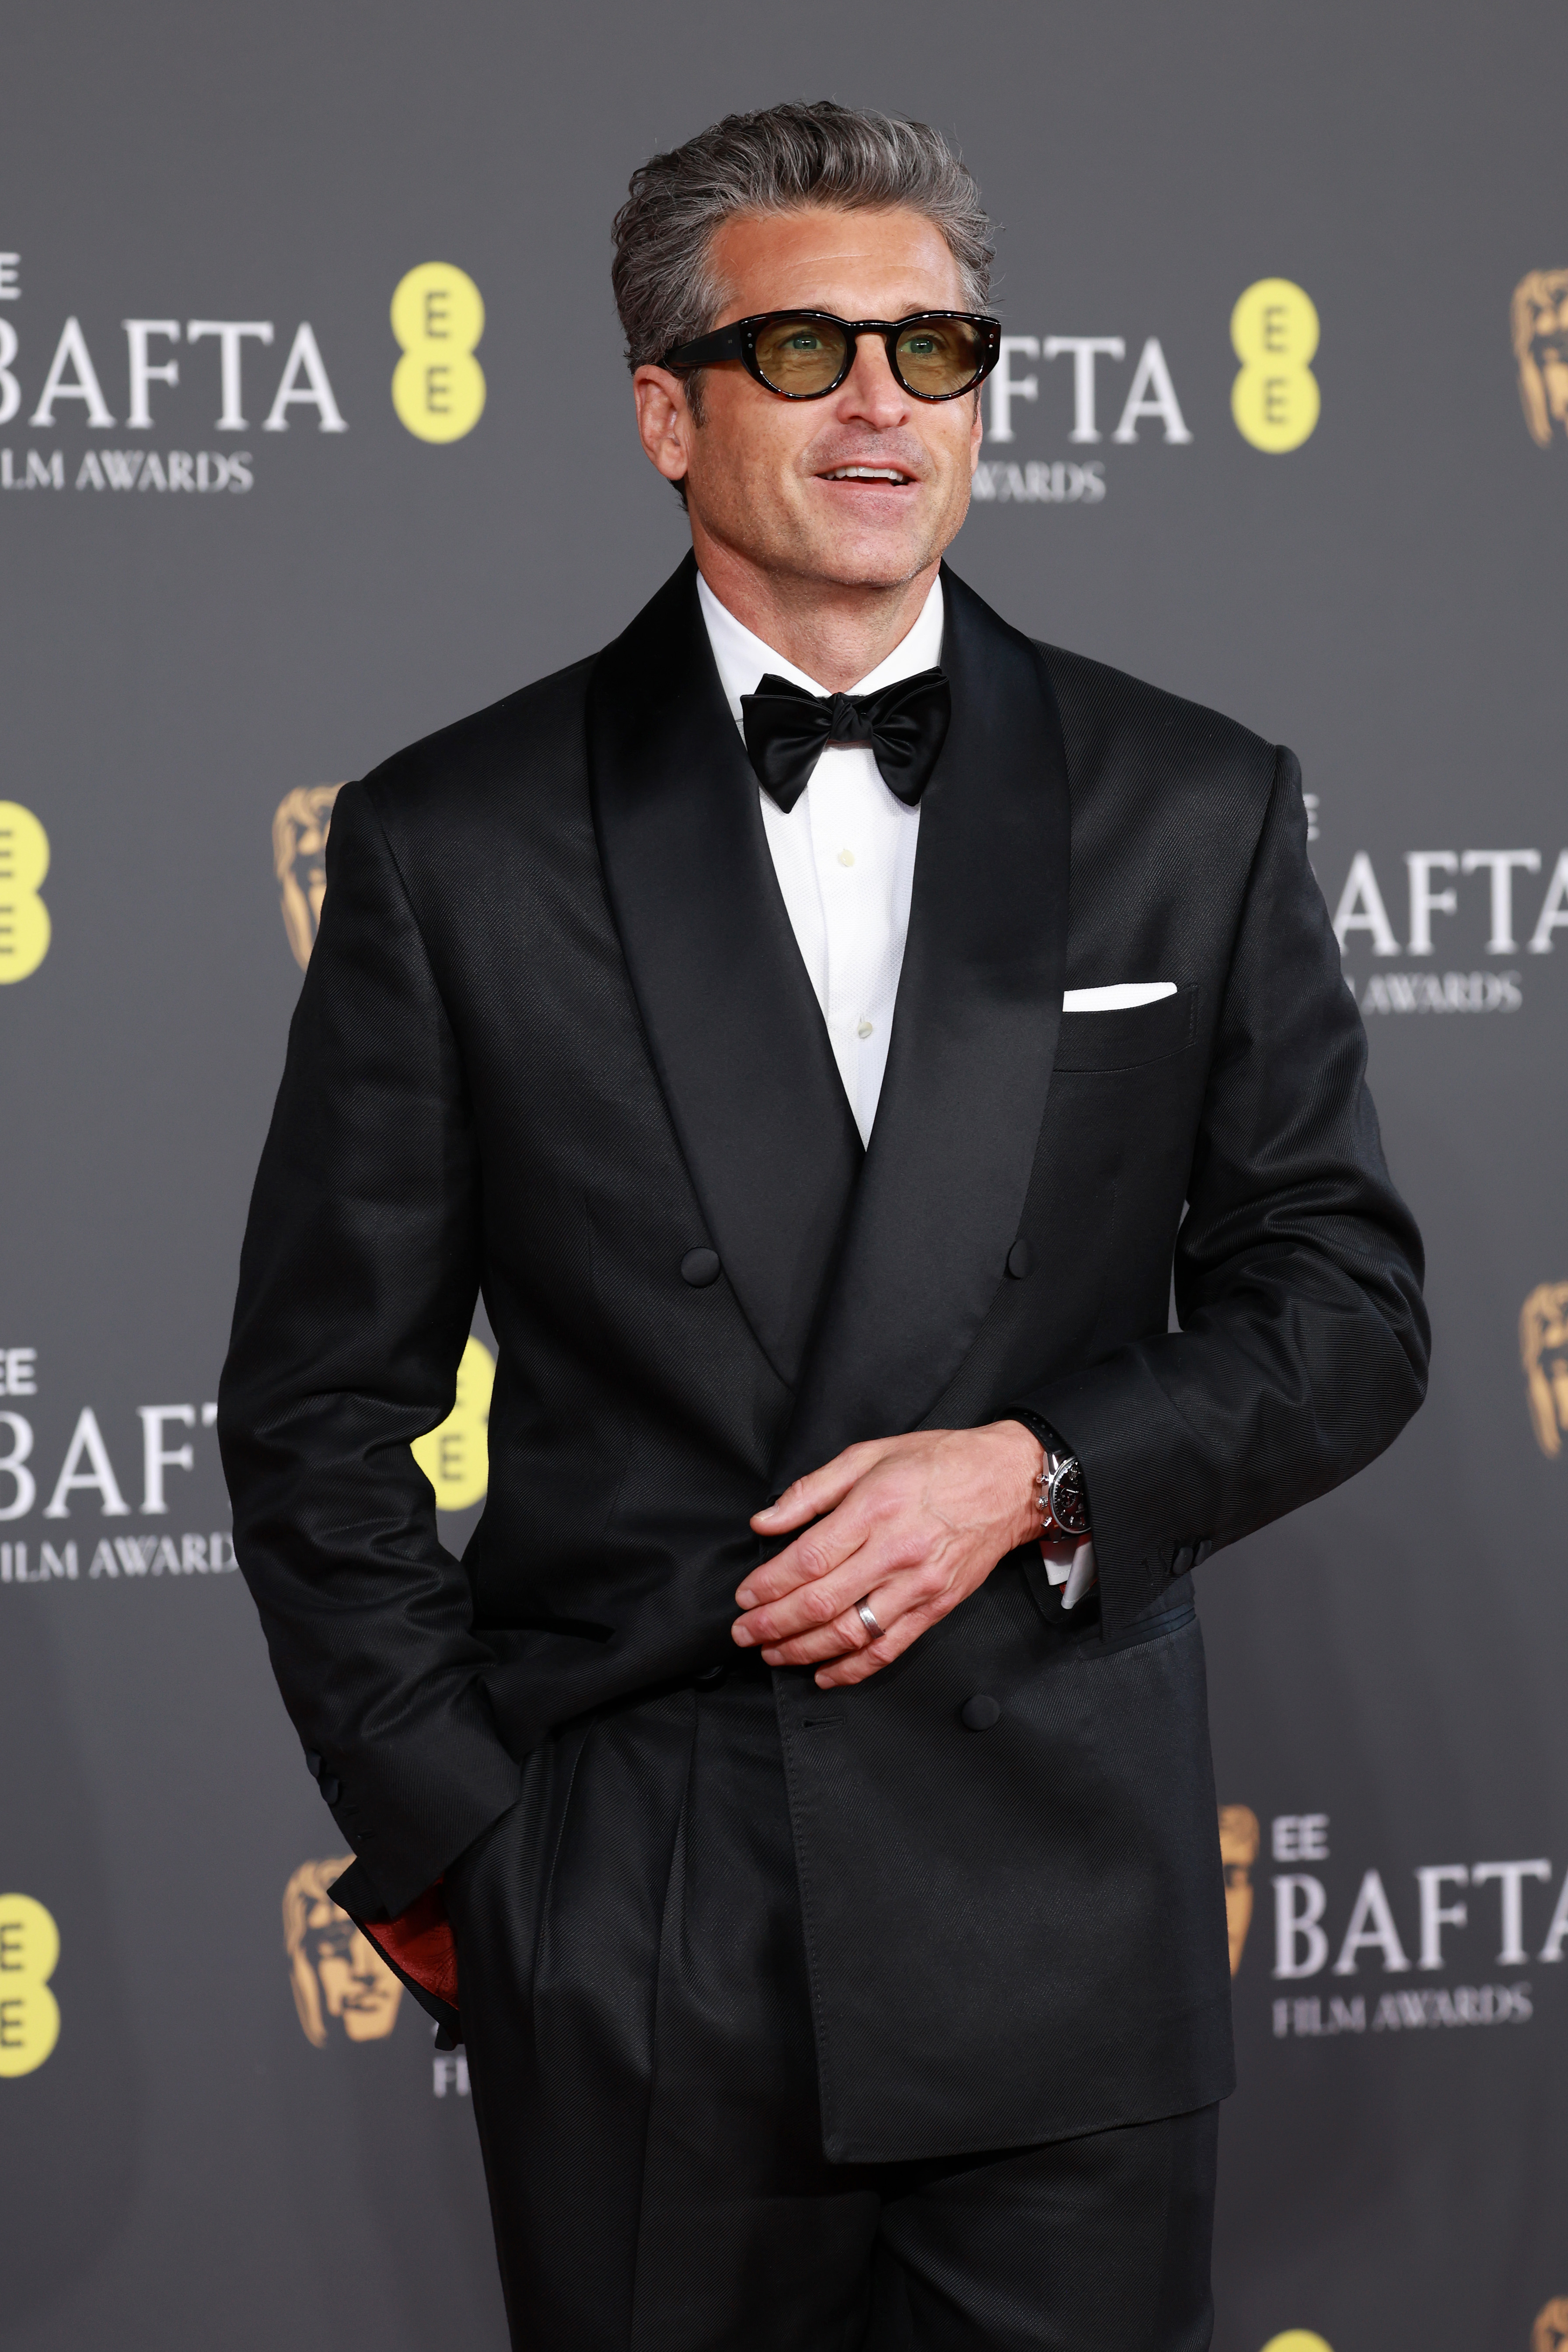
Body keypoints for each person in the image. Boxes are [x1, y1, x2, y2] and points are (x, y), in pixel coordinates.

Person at [218, 98, 1428, 2352]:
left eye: (936, 348)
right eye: (805, 352)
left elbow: (1347, 1307)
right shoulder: (453, 842)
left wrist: (1042, 1468)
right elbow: (313, 1406)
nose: (885, 406)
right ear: (666, 412)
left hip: (1064, 1909)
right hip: (650, 1922)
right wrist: (477, 1854)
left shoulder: (1195, 798)